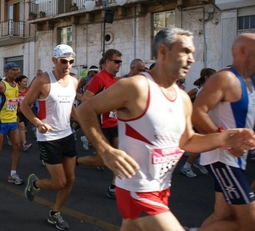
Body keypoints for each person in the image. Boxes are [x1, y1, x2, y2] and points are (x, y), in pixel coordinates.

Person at [77, 27, 255, 231]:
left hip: (162, 191)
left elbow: (188, 141)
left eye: (193, 53)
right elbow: (85, 110)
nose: (191, 59)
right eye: (185, 52)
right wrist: (106, 150)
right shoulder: (135, 87)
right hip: (137, 192)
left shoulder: (182, 99)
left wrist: (225, 138)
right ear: (163, 52)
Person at [192, 33, 255, 231]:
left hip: (236, 159)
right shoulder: (225, 78)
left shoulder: (250, 83)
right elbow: (196, 113)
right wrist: (227, 142)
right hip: (222, 157)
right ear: (243, 51)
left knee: (223, 214)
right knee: (250, 223)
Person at [21, 44, 79, 230]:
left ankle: (55, 213)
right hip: (48, 138)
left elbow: (70, 106)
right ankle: (35, 183)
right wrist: (38, 123)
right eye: (64, 61)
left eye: (71, 61)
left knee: (70, 180)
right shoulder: (43, 81)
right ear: (54, 61)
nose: (68, 65)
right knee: (59, 182)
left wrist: (82, 121)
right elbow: (25, 106)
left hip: (67, 135)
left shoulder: (74, 81)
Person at [77, 49, 123, 199]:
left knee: (119, 155)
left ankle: (114, 187)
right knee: (102, 161)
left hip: (114, 124)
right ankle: (74, 161)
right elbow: (86, 100)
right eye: (116, 61)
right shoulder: (100, 78)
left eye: (120, 62)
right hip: (103, 126)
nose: (119, 65)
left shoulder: (114, 80)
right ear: (107, 62)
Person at [180, 68, 216, 178]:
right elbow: (183, 99)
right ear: (206, 77)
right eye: (212, 76)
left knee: (208, 144)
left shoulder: (210, 89)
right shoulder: (196, 90)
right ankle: (186, 166)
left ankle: (197, 161)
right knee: (202, 145)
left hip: (207, 119)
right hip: (198, 121)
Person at [16, 75, 33, 151]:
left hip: (26, 111)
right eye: (24, 81)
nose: (26, 83)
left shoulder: (28, 90)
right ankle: (24, 143)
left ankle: (14, 138)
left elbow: (31, 99)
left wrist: (31, 104)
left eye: (26, 81)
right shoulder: (15, 90)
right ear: (19, 82)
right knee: (22, 126)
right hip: (17, 111)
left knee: (23, 127)